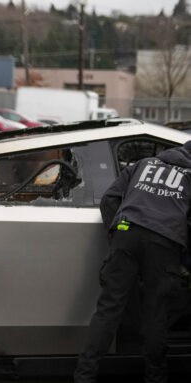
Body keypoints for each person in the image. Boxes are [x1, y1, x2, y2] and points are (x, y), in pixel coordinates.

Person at [74, 141, 191, 383]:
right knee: (155, 316)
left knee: (108, 310)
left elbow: (109, 200)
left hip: (126, 233)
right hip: (164, 242)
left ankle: (84, 376)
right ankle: (155, 378)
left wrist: (117, 233)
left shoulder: (144, 163)